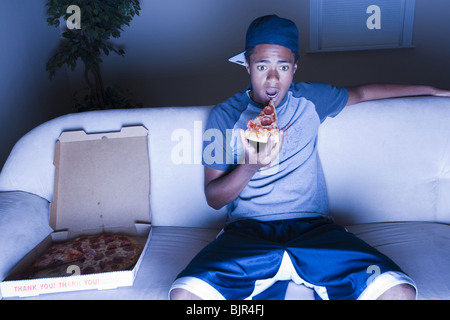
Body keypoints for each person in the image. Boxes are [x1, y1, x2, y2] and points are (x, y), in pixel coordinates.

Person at [170, 14, 450, 300]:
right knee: (184, 296)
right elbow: (214, 198)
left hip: (315, 230)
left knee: (399, 292)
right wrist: (250, 166)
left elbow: (363, 92)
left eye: (283, 67)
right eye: (262, 66)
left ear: (295, 68)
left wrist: (429, 89)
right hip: (247, 234)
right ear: (247, 66)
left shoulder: (312, 99)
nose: (272, 79)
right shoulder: (223, 116)